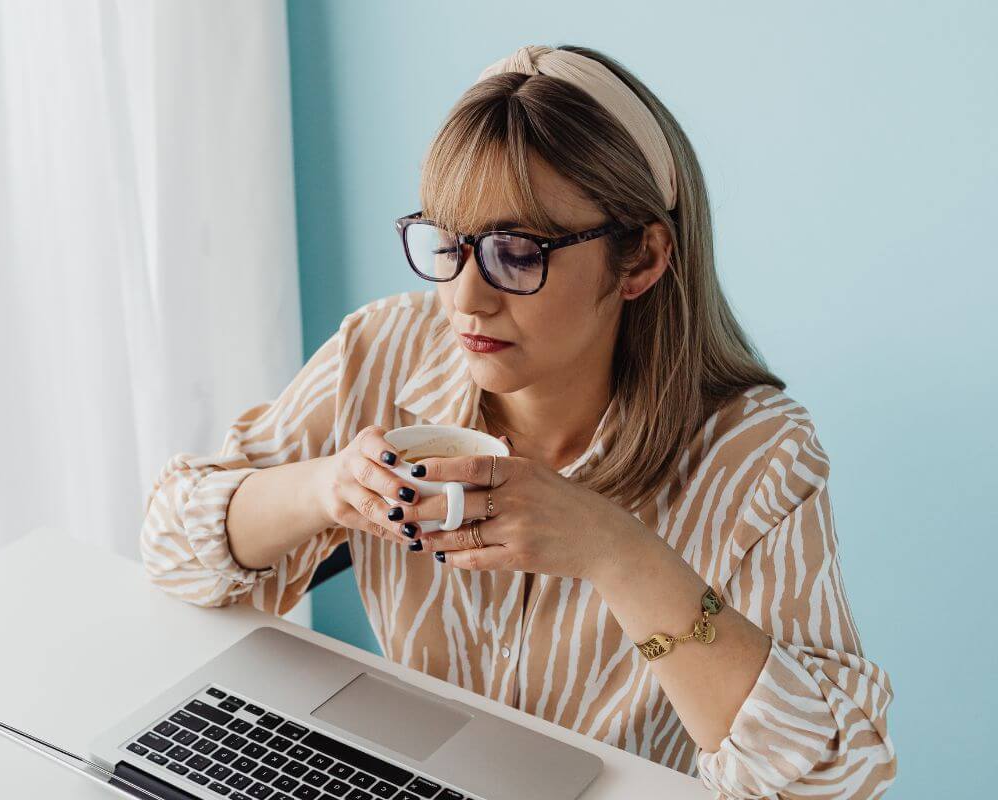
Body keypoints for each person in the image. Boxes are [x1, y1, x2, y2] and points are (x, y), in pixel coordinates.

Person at [139, 44, 896, 798]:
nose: (466, 298)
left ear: (641, 260)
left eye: (516, 251)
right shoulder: (382, 350)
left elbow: (833, 779)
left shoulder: (757, 454)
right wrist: (324, 488)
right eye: (450, 242)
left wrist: (616, 551)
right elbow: (170, 548)